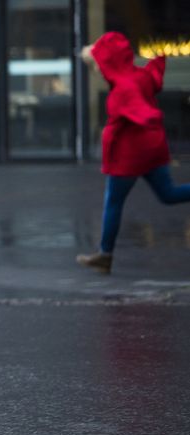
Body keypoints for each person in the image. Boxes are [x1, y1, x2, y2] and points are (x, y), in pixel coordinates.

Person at [76, 32, 190, 274]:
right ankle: (104, 255)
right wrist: (159, 61)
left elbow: (140, 110)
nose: (96, 69)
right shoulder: (138, 76)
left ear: (107, 62)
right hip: (152, 150)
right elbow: (153, 78)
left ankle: (105, 255)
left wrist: (148, 116)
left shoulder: (123, 89)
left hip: (129, 156)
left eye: (97, 63)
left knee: (113, 203)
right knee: (168, 194)